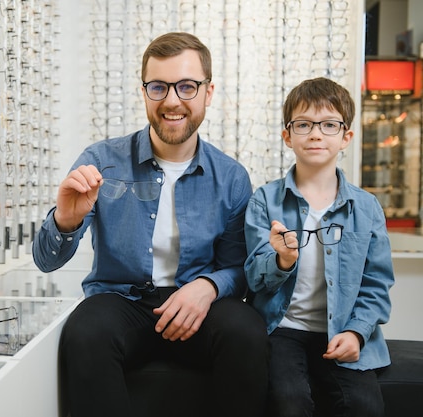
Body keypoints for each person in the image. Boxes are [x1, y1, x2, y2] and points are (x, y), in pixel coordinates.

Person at [33, 32, 268, 417]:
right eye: (158, 87)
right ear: (144, 92)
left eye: (187, 87)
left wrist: (207, 287)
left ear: (208, 93)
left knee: (246, 330)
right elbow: (45, 261)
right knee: (84, 331)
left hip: (197, 306)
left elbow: (238, 267)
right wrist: (66, 219)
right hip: (122, 303)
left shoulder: (232, 177)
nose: (172, 101)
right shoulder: (101, 161)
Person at [244, 77, 394, 417]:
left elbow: (377, 285)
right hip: (281, 331)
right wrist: (282, 260)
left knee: (365, 406)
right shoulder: (265, 201)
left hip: (342, 331)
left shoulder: (367, 208)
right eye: (304, 125)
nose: (315, 134)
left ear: (346, 137)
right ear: (287, 136)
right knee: (289, 402)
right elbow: (253, 278)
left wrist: (356, 333)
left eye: (329, 125)